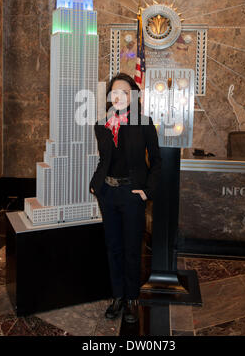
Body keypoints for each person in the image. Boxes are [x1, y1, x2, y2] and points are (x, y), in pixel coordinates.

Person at [89, 72, 161, 324]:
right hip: (108, 194)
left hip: (132, 195)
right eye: (115, 92)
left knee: (132, 250)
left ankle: (131, 299)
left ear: (133, 96)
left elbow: (157, 162)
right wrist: (96, 185)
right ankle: (117, 296)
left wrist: (147, 191)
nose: (119, 96)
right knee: (114, 248)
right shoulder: (102, 125)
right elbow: (105, 160)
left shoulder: (144, 123)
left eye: (125, 92)